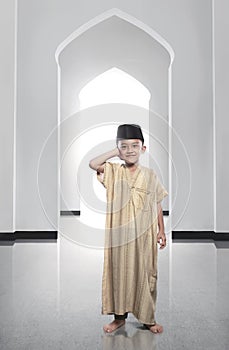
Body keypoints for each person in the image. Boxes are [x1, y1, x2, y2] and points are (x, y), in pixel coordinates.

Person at [89, 124, 168, 334]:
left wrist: (161, 230)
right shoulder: (113, 171)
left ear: (143, 148)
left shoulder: (150, 175)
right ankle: (119, 317)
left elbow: (157, 202)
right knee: (119, 273)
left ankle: (148, 319)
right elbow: (93, 163)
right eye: (125, 146)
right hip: (120, 237)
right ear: (118, 149)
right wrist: (117, 152)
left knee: (144, 274)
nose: (130, 150)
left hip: (144, 236)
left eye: (135, 145)